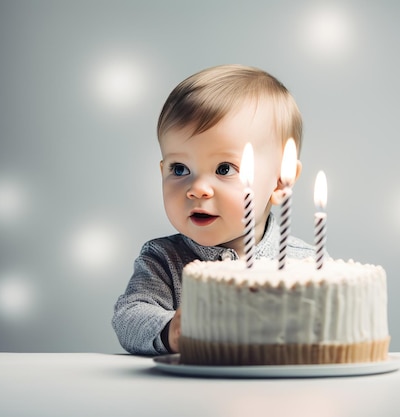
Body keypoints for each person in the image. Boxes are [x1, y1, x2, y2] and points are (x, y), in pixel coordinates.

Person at [112, 64, 315, 355]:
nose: (197, 188)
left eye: (223, 168)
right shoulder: (164, 260)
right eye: (179, 168)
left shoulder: (305, 264)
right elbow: (130, 315)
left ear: (281, 182)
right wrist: (172, 330)